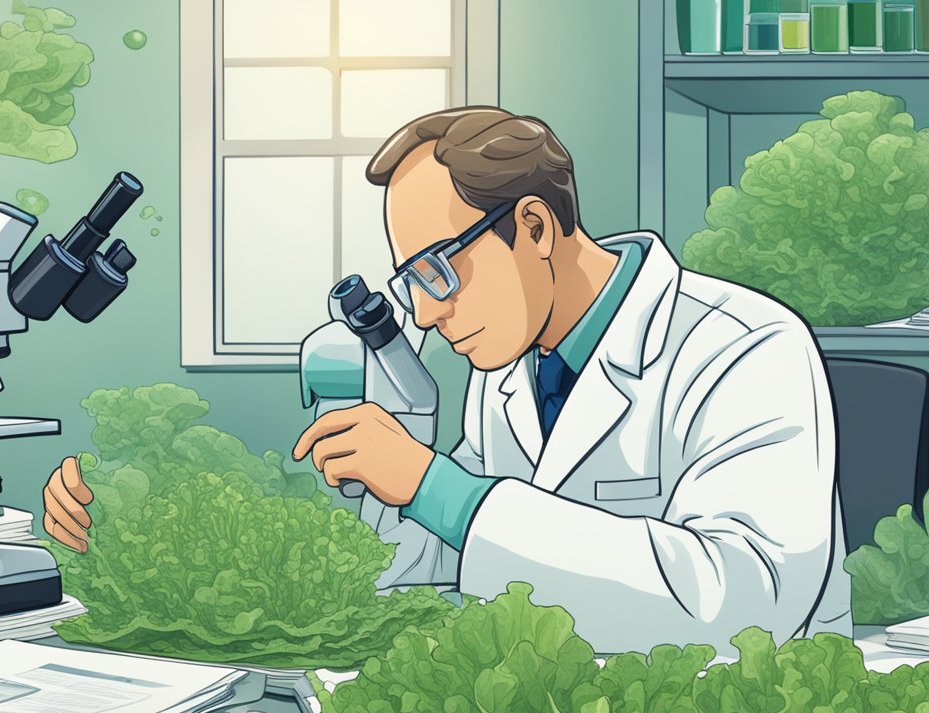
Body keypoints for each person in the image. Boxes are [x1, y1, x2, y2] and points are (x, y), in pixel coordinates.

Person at [44, 105, 852, 655]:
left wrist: (439, 486)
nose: (425, 317)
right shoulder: (507, 374)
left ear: (534, 226)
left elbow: (742, 606)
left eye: (438, 272)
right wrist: (130, 515)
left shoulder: (748, 348)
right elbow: (439, 572)